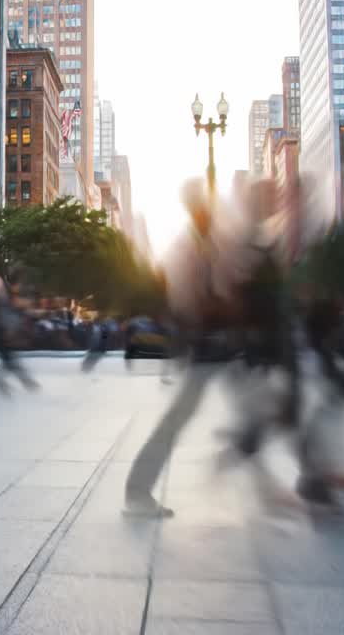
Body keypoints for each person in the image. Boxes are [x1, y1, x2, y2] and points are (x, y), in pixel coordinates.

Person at [124, 181, 225, 517]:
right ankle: (137, 490)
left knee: (179, 416)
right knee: (177, 417)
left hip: (210, 343)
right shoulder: (189, 245)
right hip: (202, 343)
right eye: (205, 204)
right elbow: (184, 299)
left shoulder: (203, 241)